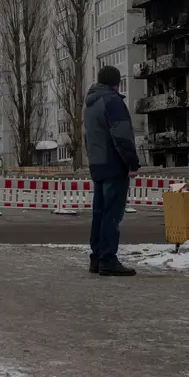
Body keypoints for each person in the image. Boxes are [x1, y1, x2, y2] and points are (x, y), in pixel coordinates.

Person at [83, 65, 141, 277]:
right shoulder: (112, 101)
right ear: (116, 83)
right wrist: (132, 163)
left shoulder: (91, 103)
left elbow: (88, 137)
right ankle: (108, 259)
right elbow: (122, 135)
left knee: (99, 213)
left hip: (97, 164)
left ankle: (97, 258)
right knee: (112, 215)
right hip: (114, 165)